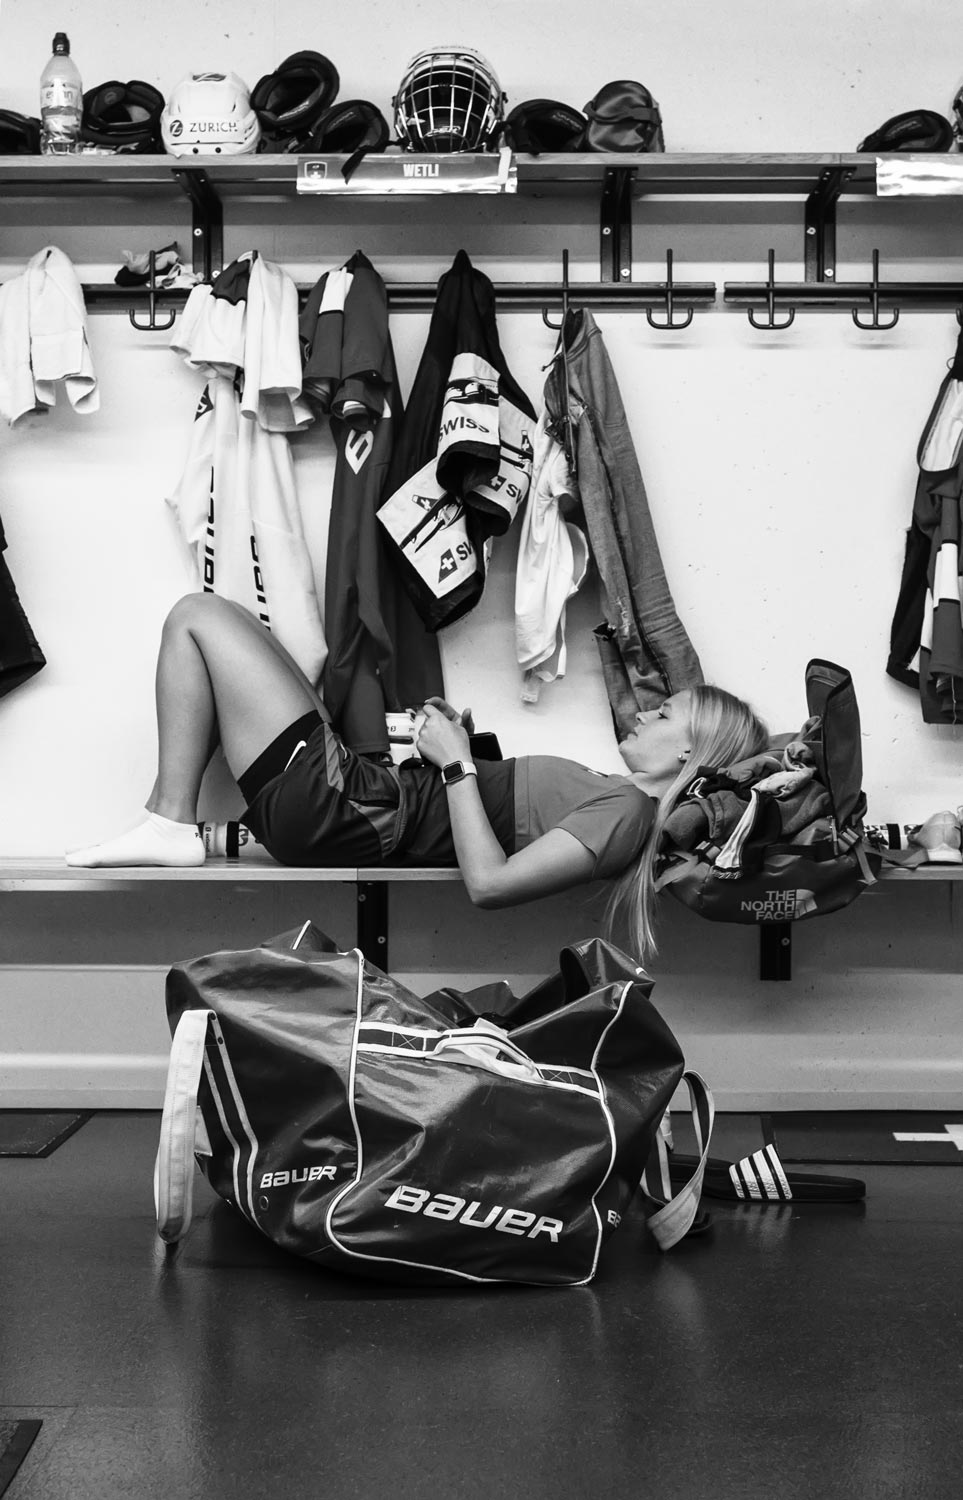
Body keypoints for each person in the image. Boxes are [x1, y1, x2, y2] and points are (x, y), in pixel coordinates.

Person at [65, 593, 768, 959]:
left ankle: (169, 818)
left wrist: (457, 762)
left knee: (198, 616)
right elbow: (489, 819)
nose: (643, 714)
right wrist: (460, 753)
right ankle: (181, 825)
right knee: (253, 633)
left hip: (347, 807)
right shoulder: (615, 801)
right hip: (357, 802)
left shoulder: (629, 815)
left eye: (665, 715)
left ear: (692, 753)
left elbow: (490, 886)